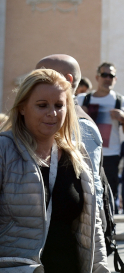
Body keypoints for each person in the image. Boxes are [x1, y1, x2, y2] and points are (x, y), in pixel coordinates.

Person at [0, 69, 110, 273]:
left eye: (59, 105)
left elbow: (91, 223)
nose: (52, 113)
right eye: (42, 105)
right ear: (22, 107)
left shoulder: (76, 154)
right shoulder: (4, 150)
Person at [35, 54, 105, 217]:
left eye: (42, 77)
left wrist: (95, 236)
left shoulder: (81, 125)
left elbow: (93, 189)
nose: (34, 83)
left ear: (67, 80)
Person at [77, 62, 124, 211]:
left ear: (115, 79)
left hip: (110, 155)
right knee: (83, 192)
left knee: (108, 194)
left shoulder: (121, 101)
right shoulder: (83, 100)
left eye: (111, 75)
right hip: (83, 153)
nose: (108, 78)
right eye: (104, 75)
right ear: (97, 77)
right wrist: (79, 112)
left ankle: (107, 229)